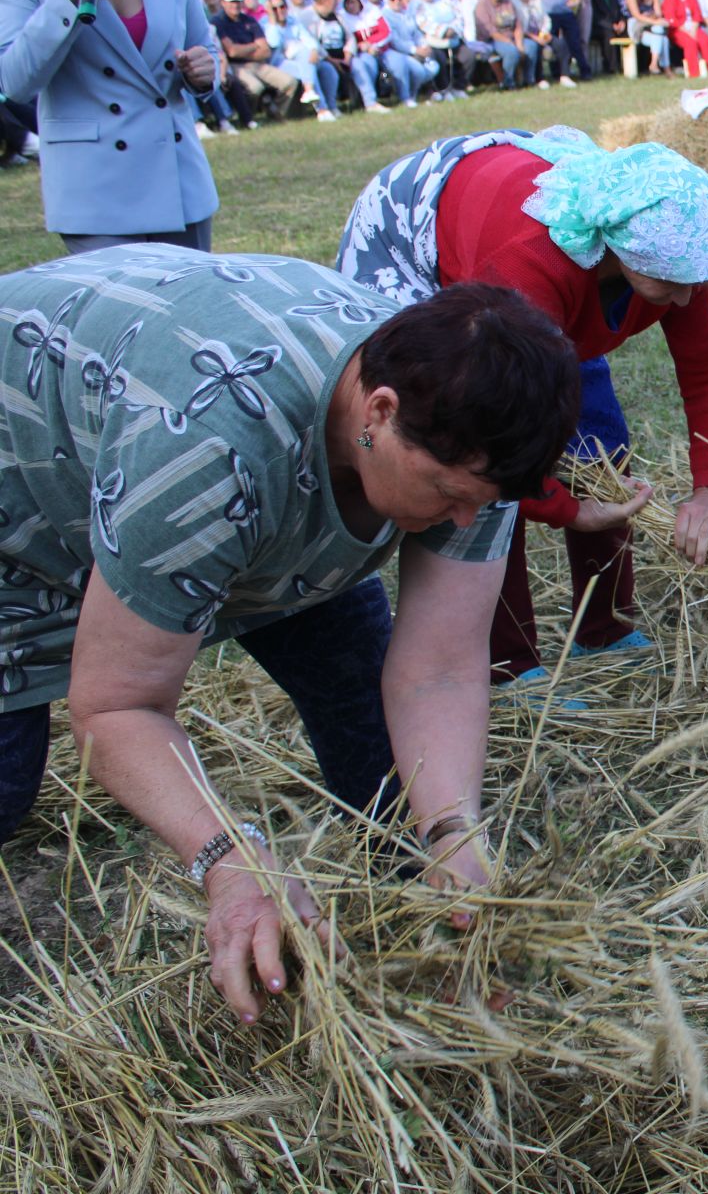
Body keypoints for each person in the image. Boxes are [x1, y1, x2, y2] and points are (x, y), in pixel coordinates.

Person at [0, 243, 580, 1020]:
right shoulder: (211, 453)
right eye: (448, 494)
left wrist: (452, 830)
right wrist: (232, 861)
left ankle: (422, 932)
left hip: (208, 474)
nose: (467, 522)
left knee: (370, 727)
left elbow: (438, 668)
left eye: (483, 499)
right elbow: (115, 708)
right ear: (378, 411)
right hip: (27, 491)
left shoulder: (467, 429)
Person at [340, 127, 708, 695]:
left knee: (599, 444)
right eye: (671, 285)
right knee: (470, 462)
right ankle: (509, 660)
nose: (684, 300)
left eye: (694, 284)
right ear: (622, 247)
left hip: (537, 295)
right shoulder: (526, 265)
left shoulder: (677, 259)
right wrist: (562, 507)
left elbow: (707, 367)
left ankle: (604, 627)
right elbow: (494, 440)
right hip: (414, 235)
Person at [0, 0, 220, 251]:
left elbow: (204, 45)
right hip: (95, 192)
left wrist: (204, 73)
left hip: (179, 185)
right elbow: (15, 82)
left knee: (187, 302)